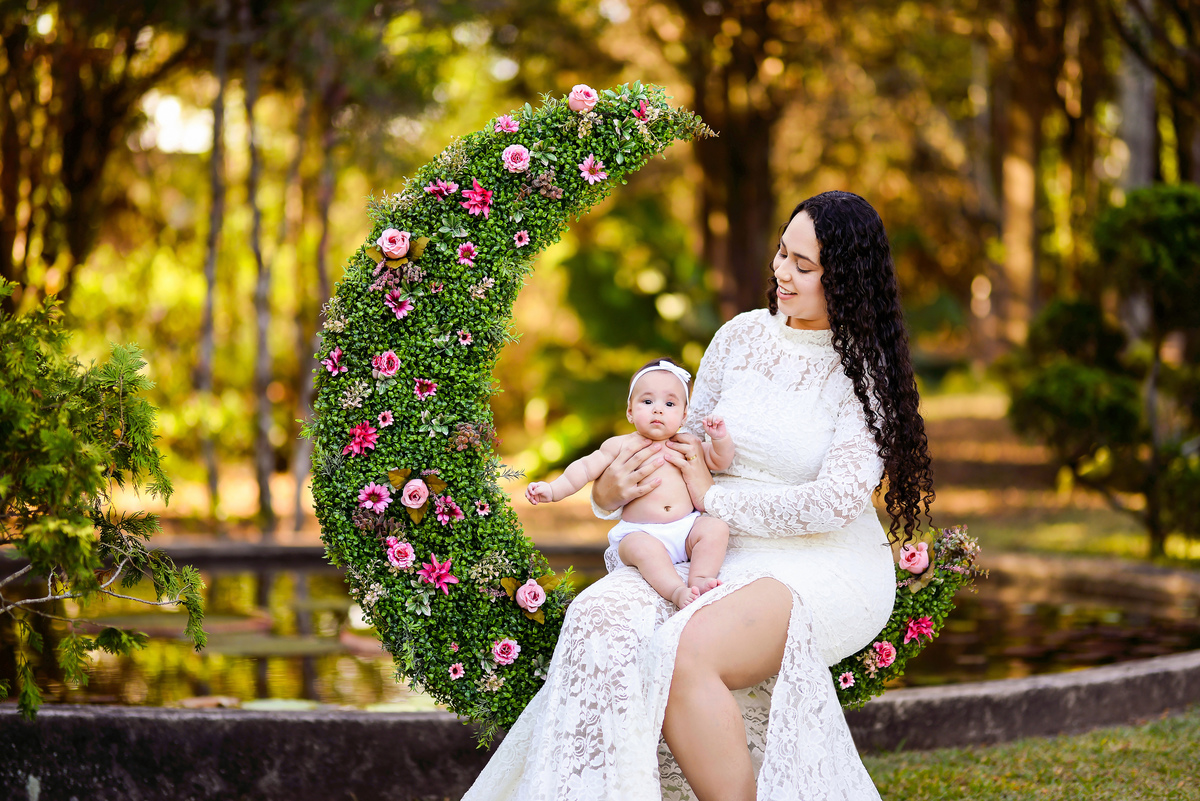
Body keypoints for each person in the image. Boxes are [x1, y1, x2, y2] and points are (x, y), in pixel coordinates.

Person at [462, 190, 934, 801]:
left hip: (822, 563)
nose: (782, 274)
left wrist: (715, 499)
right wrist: (612, 489)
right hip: (709, 544)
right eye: (781, 254)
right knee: (597, 621)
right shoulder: (739, 337)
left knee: (683, 653)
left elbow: (835, 503)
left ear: (844, 280)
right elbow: (679, 443)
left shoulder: (861, 375)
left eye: (804, 266)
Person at [525, 358, 734, 608]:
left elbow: (719, 460)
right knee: (643, 549)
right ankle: (676, 590)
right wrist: (553, 489)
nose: (658, 410)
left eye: (669, 403)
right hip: (642, 532)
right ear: (630, 411)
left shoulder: (688, 443)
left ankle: (700, 577)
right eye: (647, 401)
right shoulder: (620, 445)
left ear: (683, 415)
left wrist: (720, 438)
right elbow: (583, 468)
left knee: (715, 528)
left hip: (686, 528)